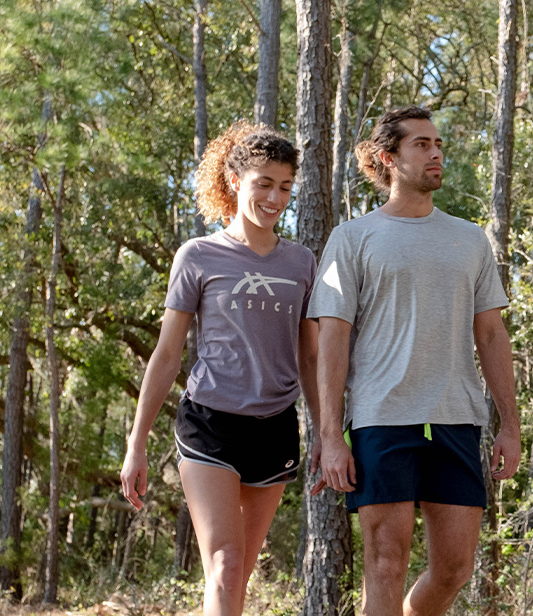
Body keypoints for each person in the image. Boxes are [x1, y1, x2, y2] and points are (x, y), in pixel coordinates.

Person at [308, 106, 521, 616]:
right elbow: (332, 338)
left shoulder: (469, 239)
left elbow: (491, 334)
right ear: (389, 158)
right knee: (385, 564)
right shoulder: (353, 238)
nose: (436, 153)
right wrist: (331, 435)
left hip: (456, 418)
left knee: (454, 567)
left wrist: (510, 425)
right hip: (382, 419)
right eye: (421, 145)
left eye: (438, 144)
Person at [119, 121, 318, 616]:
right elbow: (167, 354)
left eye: (285, 187)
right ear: (234, 180)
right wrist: (136, 442)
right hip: (209, 421)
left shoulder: (301, 263)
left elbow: (310, 355)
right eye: (264, 184)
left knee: (237, 575)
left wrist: (329, 433)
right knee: (226, 567)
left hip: (274, 426)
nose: (275, 198)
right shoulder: (199, 256)